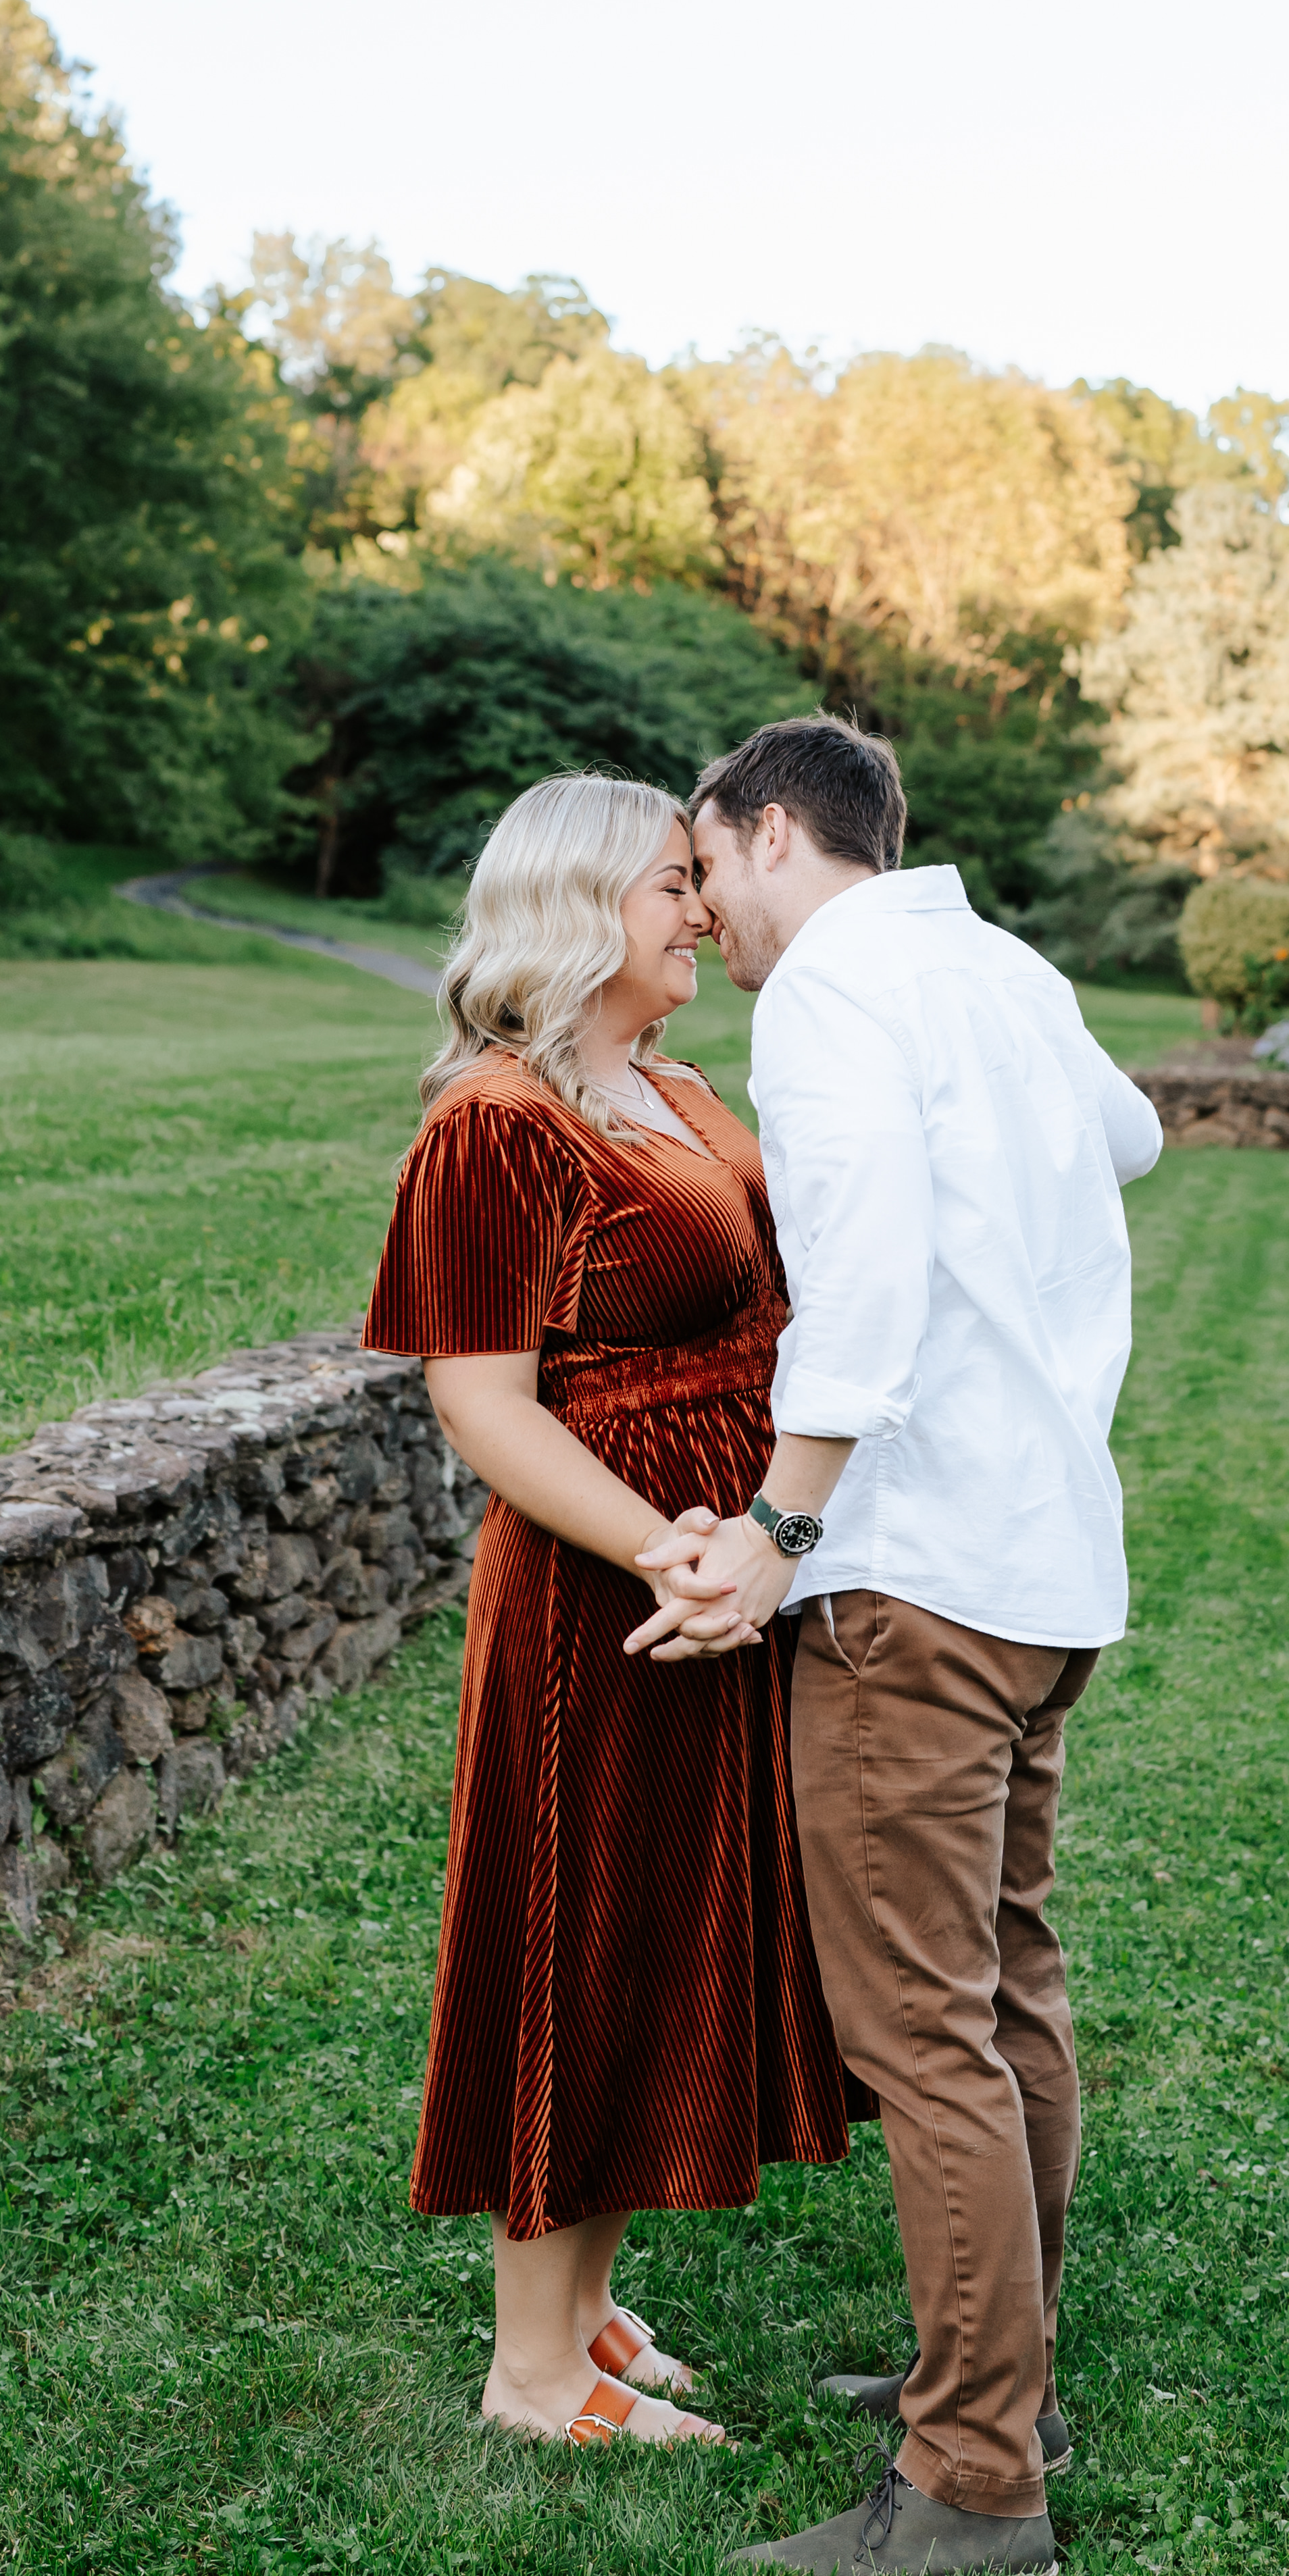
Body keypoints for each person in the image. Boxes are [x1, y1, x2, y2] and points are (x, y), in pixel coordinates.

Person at [630, 713, 1163, 2576]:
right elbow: (1137, 1132)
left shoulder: (838, 992)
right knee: (1011, 1993)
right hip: (1047, 1572)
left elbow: (854, 1287)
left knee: (928, 2036)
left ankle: (969, 2491)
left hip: (913, 1580)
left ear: (778, 835)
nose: (711, 912)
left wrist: (781, 1531)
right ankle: (997, 2382)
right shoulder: (1001, 969)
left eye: (709, 870)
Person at [362, 771, 855, 2450]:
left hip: (714, 1566)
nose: (701, 909)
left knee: (652, 1928)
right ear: (580, 908)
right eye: (668, 883)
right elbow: (482, 1403)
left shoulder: (675, 1088)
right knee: (572, 1938)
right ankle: (526, 2371)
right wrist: (671, 1550)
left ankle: (581, 2305)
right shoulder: (496, 1121)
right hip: (607, 1593)